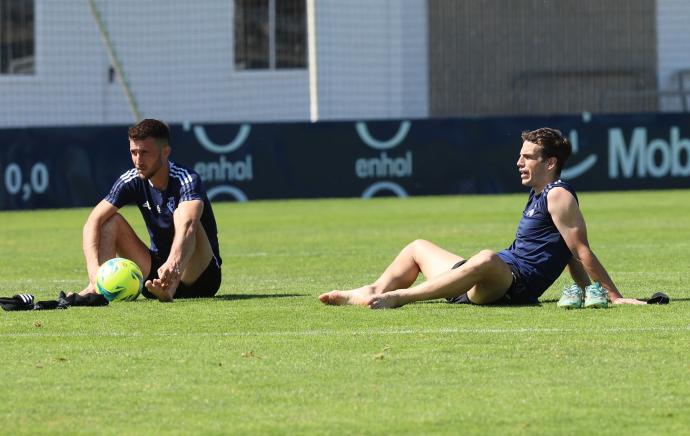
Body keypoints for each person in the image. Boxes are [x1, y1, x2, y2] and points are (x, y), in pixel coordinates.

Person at [319, 127, 645, 309]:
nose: (519, 162)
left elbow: (579, 250)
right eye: (520, 155)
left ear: (550, 163)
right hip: (487, 276)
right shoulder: (538, 194)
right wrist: (587, 292)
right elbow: (567, 250)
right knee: (418, 247)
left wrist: (612, 297)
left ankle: (397, 297)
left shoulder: (558, 194)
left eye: (527, 157)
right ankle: (368, 290)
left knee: (486, 257)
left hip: (511, 284)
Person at [77, 118, 222, 302]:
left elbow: (188, 224)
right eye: (134, 152)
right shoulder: (131, 180)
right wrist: (94, 273)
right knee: (110, 221)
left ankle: (170, 284)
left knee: (183, 215)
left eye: (144, 152)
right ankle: (98, 290)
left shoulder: (186, 179)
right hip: (155, 277)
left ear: (165, 152)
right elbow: (93, 221)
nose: (138, 160)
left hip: (200, 276)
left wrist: (172, 264)